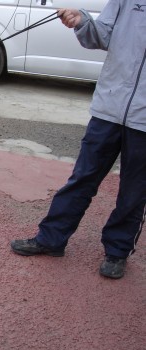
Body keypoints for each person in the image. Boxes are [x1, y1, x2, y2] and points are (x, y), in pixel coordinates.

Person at [10, 0, 146, 279]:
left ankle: (117, 252)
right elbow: (104, 34)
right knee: (82, 178)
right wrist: (82, 20)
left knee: (134, 191)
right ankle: (51, 239)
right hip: (109, 107)